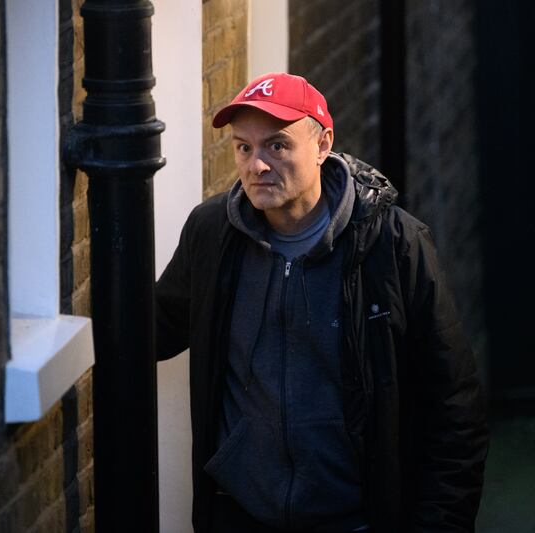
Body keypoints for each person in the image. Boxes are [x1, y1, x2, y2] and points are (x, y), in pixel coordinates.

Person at [155, 72, 489, 533]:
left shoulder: (393, 244)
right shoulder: (213, 234)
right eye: (243, 148)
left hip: (356, 519)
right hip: (241, 514)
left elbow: (455, 405)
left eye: (277, 146)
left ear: (322, 143)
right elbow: (154, 328)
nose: (256, 166)